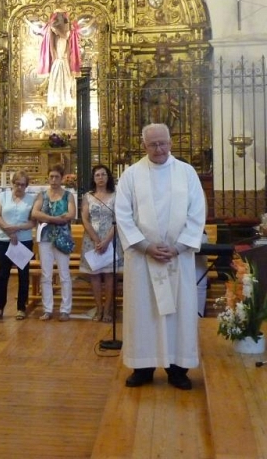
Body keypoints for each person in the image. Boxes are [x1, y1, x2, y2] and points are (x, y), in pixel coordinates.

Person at [115, 123, 205, 390]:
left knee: (179, 313)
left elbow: (197, 213)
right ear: (144, 145)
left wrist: (178, 247)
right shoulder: (131, 175)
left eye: (163, 143)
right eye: (153, 144)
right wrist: (144, 246)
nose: (159, 149)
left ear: (170, 142)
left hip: (178, 258)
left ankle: (177, 369)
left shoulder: (186, 173)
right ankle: (143, 367)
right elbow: (123, 215)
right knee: (144, 313)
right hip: (144, 259)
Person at [31, 164, 76, 321]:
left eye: (57, 177)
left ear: (62, 178)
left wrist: (47, 218)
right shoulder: (42, 195)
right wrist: (54, 219)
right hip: (45, 237)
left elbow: (71, 214)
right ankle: (47, 308)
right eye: (51, 177)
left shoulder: (68, 195)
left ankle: (65, 309)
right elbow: (35, 212)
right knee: (46, 274)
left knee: (64, 273)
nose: (54, 180)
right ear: (48, 178)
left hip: (62, 237)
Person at [80, 165, 123, 323]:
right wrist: (97, 240)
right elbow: (85, 218)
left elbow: (119, 219)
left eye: (103, 174)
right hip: (92, 239)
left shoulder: (116, 196)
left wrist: (106, 240)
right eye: (97, 175)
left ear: (108, 177)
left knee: (110, 275)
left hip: (111, 238)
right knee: (95, 275)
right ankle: (98, 308)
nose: (100, 177)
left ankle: (108, 309)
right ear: (93, 178)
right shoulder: (88, 196)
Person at [0, 170, 36, 321]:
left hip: (23, 240)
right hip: (3, 239)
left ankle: (21, 308)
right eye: (17, 184)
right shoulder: (2, 196)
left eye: (23, 185)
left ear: (26, 186)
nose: (19, 188)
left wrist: (18, 228)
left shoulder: (32, 199)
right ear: (13, 184)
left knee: (23, 274)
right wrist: (9, 230)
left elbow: (33, 221)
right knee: (3, 273)